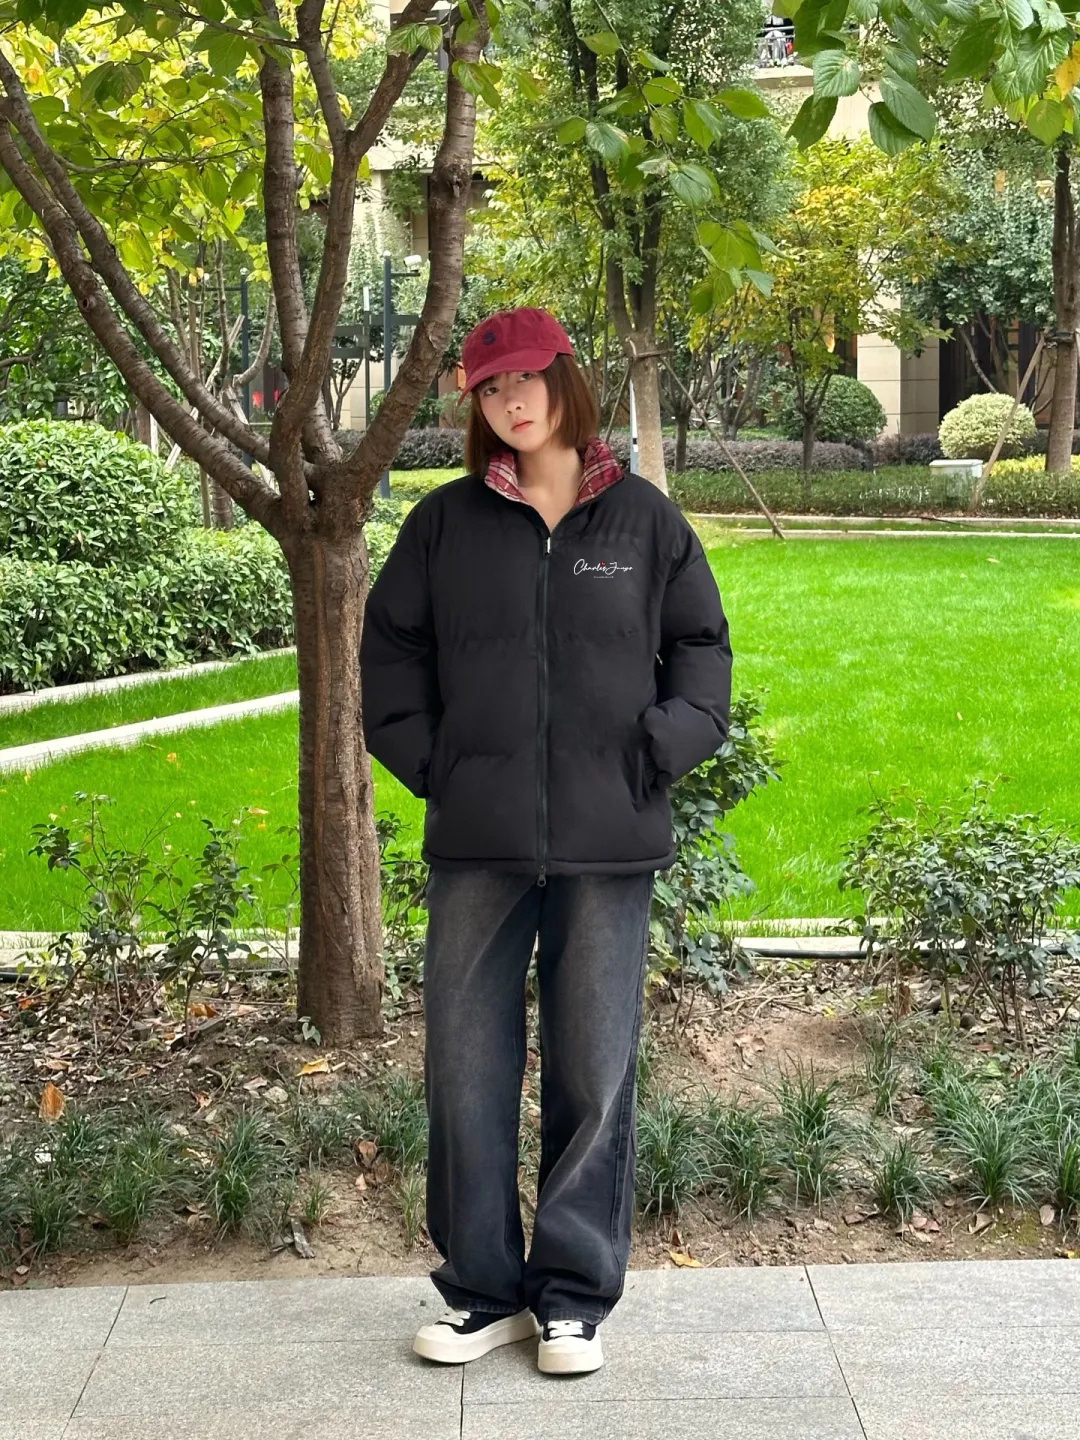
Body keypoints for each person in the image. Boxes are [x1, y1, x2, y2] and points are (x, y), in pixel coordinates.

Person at [359, 306, 732, 1376]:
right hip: (478, 841)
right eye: (489, 388)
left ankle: (571, 1297)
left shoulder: (645, 521)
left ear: (565, 380)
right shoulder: (443, 524)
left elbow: (702, 650)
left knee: (593, 1069)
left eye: (525, 379)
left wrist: (658, 748)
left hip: (610, 841)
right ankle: (482, 1291)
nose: (510, 401)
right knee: (465, 1067)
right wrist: (436, 763)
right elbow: (390, 652)